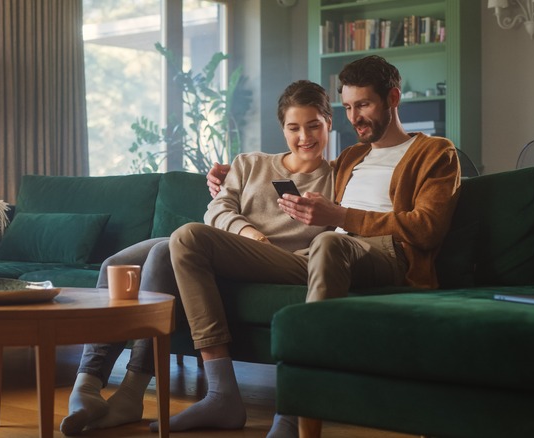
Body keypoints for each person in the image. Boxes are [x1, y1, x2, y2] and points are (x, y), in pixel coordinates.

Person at [170, 55, 461, 436]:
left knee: (328, 242)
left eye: (365, 105)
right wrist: (227, 176)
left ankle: (293, 409)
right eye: (350, 106)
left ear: (393, 98)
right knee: (188, 237)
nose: (355, 117)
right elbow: (302, 165)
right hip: (321, 255)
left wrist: (340, 217)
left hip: (388, 256)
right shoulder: (351, 158)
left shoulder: (436, 152)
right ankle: (222, 395)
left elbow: (427, 229)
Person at [59, 79, 336, 436]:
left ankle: (131, 392)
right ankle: (88, 384)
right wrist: (250, 233)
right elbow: (217, 209)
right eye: (294, 127)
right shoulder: (250, 163)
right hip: (227, 243)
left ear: (329, 122)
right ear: (282, 128)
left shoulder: (337, 178)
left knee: (171, 247)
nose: (304, 137)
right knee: (118, 264)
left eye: (314, 125)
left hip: (273, 260)